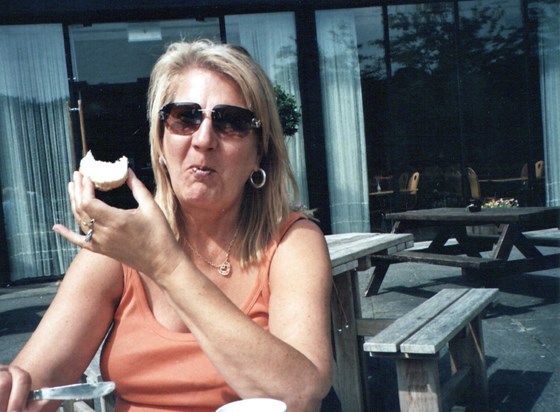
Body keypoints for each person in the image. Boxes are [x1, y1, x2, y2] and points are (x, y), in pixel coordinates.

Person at [0, 40, 333, 412]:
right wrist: (9, 387)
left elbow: (301, 393)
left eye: (231, 122)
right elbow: (34, 382)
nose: (204, 139)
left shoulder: (292, 242)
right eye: (184, 117)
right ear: (160, 142)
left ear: (260, 152)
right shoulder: (120, 248)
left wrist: (166, 265)